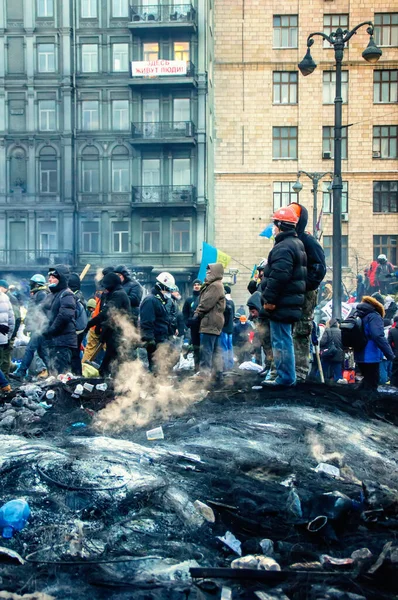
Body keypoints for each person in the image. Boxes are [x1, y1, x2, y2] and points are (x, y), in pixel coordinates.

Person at [260, 206, 307, 388]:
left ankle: (285, 377)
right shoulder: (295, 244)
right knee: (283, 339)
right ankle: (285, 376)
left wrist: (270, 300)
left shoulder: (283, 247)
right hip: (289, 302)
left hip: (281, 304)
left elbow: (279, 276)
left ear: (280, 225)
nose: (273, 228)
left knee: (281, 340)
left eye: (274, 224)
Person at [288, 202, 327, 382]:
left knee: (302, 329)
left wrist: (305, 285)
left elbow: (319, 268)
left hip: (305, 293)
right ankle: (289, 369)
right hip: (291, 292)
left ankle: (301, 371)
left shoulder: (309, 241)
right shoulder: (289, 241)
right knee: (288, 330)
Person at [86, 272, 130, 376]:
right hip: (113, 334)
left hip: (118, 335)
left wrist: (90, 324)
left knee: (113, 363)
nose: (104, 289)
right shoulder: (114, 294)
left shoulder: (118, 295)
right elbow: (110, 318)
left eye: (106, 287)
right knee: (109, 363)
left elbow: (107, 313)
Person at [41, 265, 77, 376]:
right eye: (49, 277)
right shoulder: (53, 294)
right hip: (54, 340)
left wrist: (51, 330)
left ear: (61, 279)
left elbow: (65, 315)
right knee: (54, 374)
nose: (49, 280)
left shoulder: (66, 294)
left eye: (53, 277)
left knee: (61, 375)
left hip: (63, 341)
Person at [12, 274, 49, 380]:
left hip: (38, 328)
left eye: (32, 283)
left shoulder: (41, 294)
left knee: (30, 349)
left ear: (37, 284)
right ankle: (53, 370)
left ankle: (21, 372)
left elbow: (38, 312)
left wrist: (31, 325)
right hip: (37, 328)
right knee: (42, 352)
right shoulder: (39, 294)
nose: (30, 285)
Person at [354, 295, 395, 391]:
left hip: (359, 353)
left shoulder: (359, 314)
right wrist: (389, 354)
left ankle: (358, 401)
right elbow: (378, 336)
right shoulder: (374, 316)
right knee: (372, 383)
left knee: (366, 382)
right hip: (370, 355)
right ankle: (368, 405)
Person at [193, 263, 225, 379]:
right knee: (215, 349)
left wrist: (197, 314)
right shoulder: (217, 285)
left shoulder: (214, 286)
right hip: (215, 321)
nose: (207, 272)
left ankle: (204, 373)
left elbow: (206, 303)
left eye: (209, 270)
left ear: (215, 272)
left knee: (206, 349)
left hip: (210, 321)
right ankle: (217, 373)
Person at [140, 272, 176, 372]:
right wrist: (149, 339)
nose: (169, 292)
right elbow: (147, 321)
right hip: (155, 340)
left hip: (162, 338)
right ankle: (154, 385)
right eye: (168, 289)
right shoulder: (150, 300)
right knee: (156, 366)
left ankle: (158, 383)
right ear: (161, 287)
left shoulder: (159, 300)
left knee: (166, 362)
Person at [82, 267, 114, 364]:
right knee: (106, 350)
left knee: (92, 350)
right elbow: (102, 311)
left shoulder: (102, 291)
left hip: (100, 325)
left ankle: (84, 369)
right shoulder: (106, 291)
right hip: (100, 326)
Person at [68, 273, 87, 377]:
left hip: (75, 331)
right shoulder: (79, 295)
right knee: (75, 355)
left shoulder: (74, 297)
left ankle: (76, 376)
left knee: (74, 355)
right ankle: (77, 375)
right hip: (79, 330)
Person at [0, 280, 21, 375]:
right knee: (4, 358)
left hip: (5, 334)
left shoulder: (9, 298)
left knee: (4, 358)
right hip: (5, 334)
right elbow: (12, 318)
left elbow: (15, 318)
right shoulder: (6, 297)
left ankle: (5, 380)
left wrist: (11, 336)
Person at [182, 279, 202, 372]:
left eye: (199, 284)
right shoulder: (189, 299)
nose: (197, 286)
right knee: (196, 347)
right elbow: (185, 312)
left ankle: (204, 367)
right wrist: (187, 323)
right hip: (193, 327)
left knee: (204, 347)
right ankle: (197, 367)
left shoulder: (204, 298)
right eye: (195, 285)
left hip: (203, 327)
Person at [319, 318, 344, 382]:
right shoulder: (340, 331)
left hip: (328, 354)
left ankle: (319, 382)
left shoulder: (327, 330)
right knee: (338, 373)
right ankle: (339, 386)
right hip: (338, 355)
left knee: (322, 370)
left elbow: (322, 342)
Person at [0, 286, 15, 390]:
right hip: (2, 338)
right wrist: (8, 337)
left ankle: (5, 386)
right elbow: (11, 319)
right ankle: (5, 387)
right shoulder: (4, 297)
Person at [220, 285, 235, 371]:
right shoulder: (232, 302)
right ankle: (230, 365)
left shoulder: (224, 302)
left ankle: (225, 366)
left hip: (224, 329)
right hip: (230, 329)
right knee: (230, 347)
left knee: (224, 348)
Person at [388, 315, 398, 387]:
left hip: (396, 354)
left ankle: (393, 389)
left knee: (394, 372)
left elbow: (388, 344)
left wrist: (393, 352)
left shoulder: (392, 330)